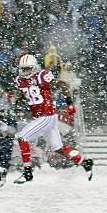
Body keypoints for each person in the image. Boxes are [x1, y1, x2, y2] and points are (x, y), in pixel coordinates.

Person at [13, 55, 93, 183]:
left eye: (28, 69)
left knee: (22, 138)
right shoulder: (20, 81)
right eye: (23, 69)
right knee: (58, 148)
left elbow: (63, 85)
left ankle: (28, 172)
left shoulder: (41, 76)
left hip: (46, 116)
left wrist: (69, 103)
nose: (25, 72)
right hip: (42, 118)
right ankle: (85, 162)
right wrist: (19, 104)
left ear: (34, 68)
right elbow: (25, 94)